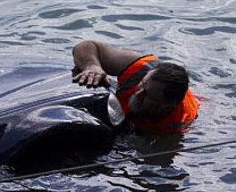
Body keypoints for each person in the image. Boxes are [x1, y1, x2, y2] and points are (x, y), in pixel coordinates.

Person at [71, 40, 199, 133]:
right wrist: (92, 66)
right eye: (142, 85)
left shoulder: (176, 125)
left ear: (166, 107)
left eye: (147, 94)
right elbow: (87, 46)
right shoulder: (140, 68)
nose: (138, 93)